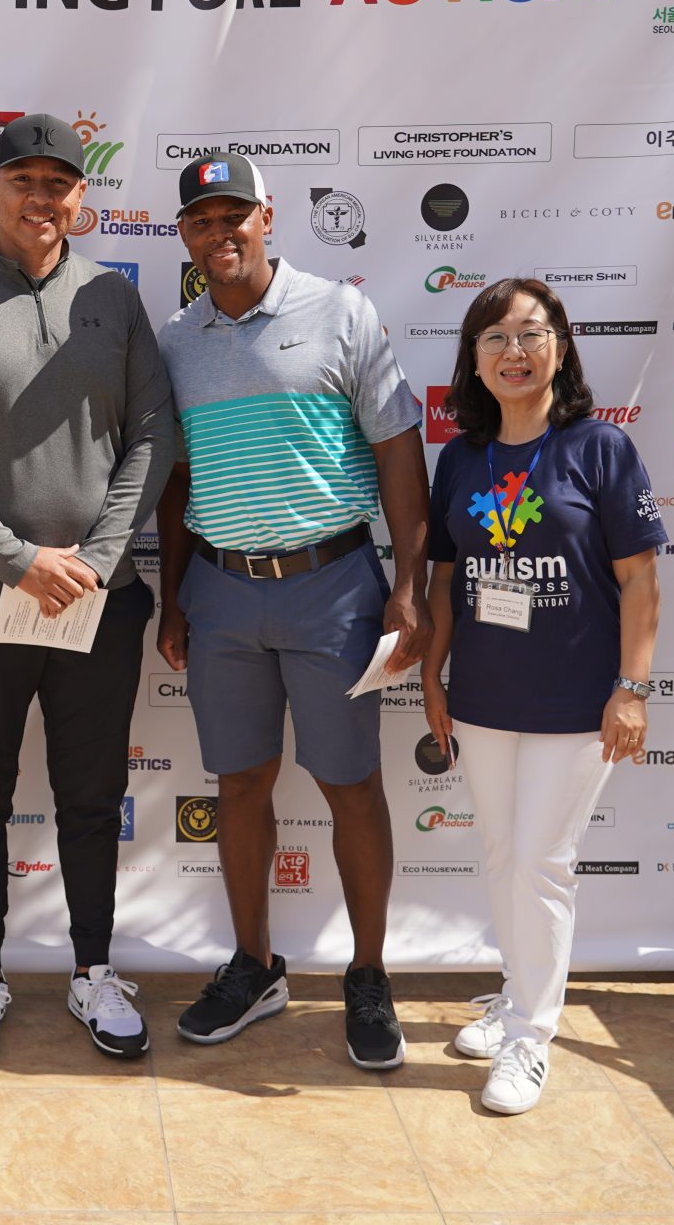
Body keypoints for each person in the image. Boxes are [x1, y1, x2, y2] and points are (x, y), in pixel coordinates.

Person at [0, 112, 175, 1065]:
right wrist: (20, 561)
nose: (40, 199)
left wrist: (95, 555)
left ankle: (94, 970)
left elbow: (154, 433)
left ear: (80, 196)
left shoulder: (113, 299)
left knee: (92, 795)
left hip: (100, 598)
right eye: (23, 181)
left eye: (58, 184)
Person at [152, 151, 429, 1072]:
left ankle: (368, 974)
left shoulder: (341, 311)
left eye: (234, 215)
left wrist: (408, 585)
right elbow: (177, 479)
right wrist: (173, 597)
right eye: (201, 221)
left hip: (333, 586)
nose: (219, 233)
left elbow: (398, 450)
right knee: (239, 783)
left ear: (267, 217)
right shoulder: (176, 340)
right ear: (183, 235)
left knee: (351, 784)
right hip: (221, 590)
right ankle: (254, 965)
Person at [420, 277, 663, 1114]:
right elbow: (445, 579)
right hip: (485, 694)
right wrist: (432, 676)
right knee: (502, 857)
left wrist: (631, 689)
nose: (513, 352)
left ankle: (530, 1038)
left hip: (577, 701)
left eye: (530, 333)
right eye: (494, 338)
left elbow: (640, 581)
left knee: (540, 862)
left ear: (561, 344)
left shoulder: (601, 448)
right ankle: (516, 994)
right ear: (474, 358)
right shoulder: (460, 457)